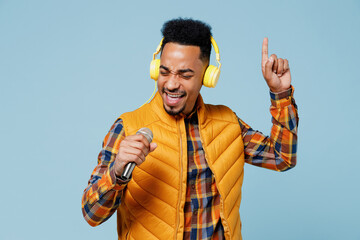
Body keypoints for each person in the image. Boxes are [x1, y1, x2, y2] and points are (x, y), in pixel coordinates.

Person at [82, 18, 298, 240]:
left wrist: (281, 95)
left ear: (207, 76)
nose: (171, 84)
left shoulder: (228, 123)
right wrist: (116, 171)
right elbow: (91, 215)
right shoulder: (129, 127)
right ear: (155, 70)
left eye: (185, 75)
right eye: (164, 72)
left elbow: (282, 158)